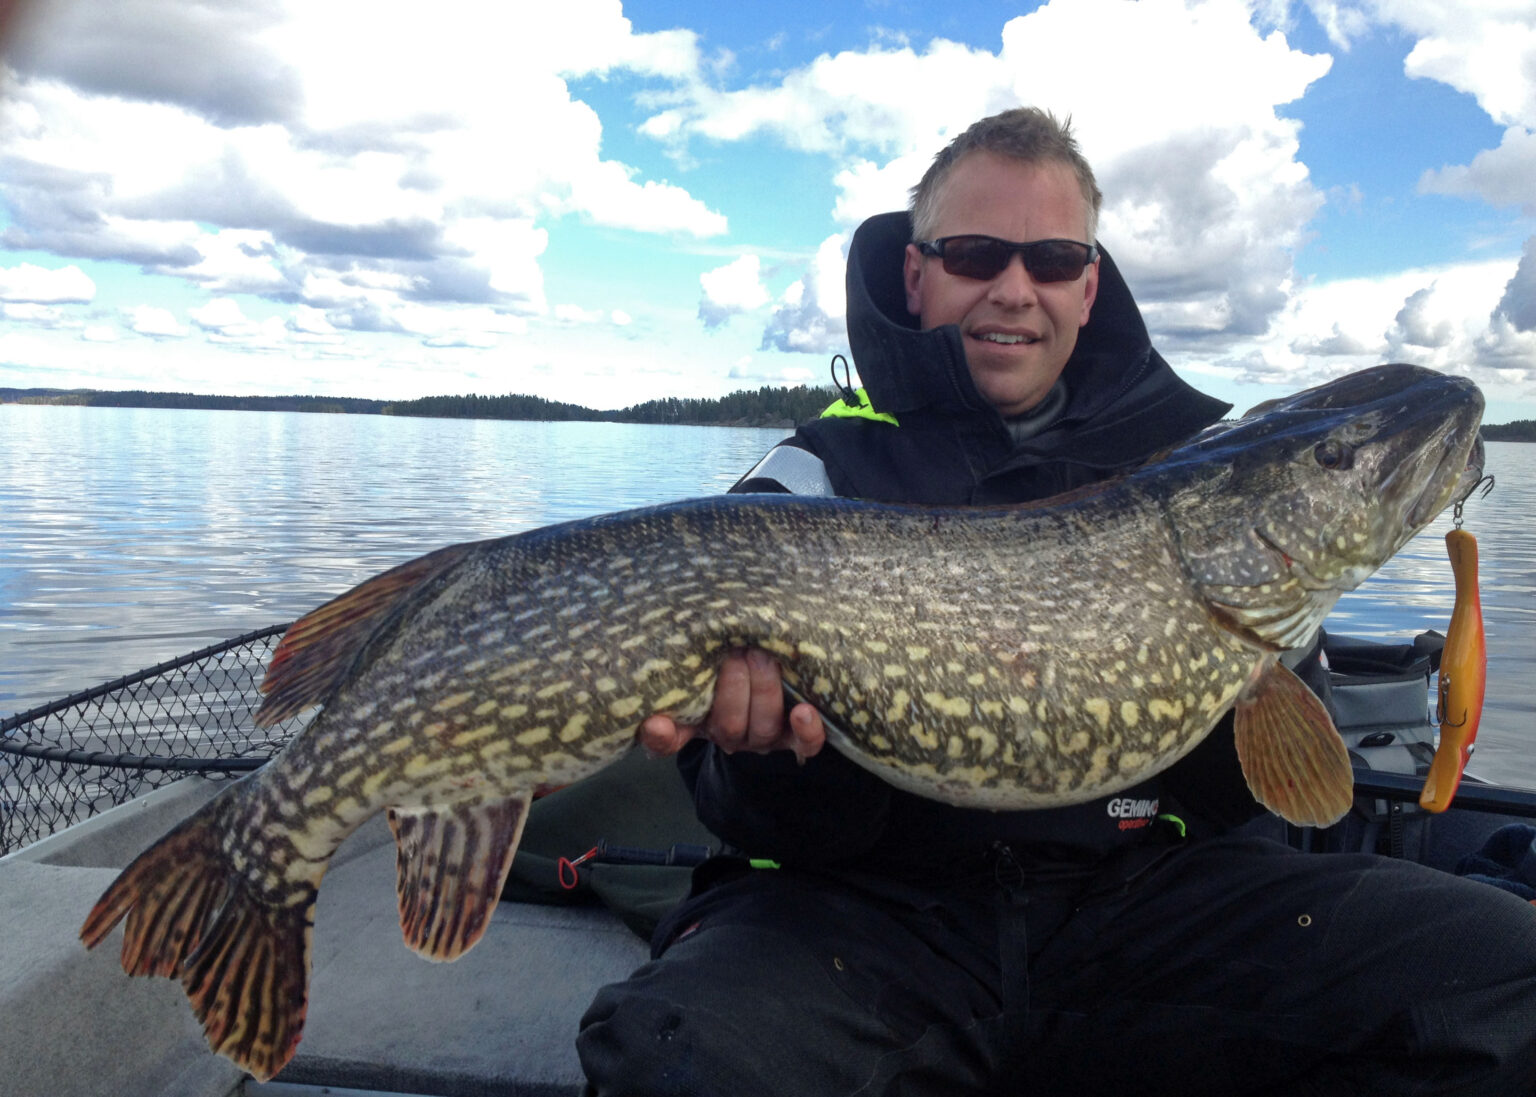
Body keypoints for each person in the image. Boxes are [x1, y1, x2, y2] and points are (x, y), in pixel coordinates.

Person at [575, 108, 1536, 1096]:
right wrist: (777, 766)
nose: (1013, 288)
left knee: (1509, 979)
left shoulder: (1184, 474)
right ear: (917, 275)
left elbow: (1272, 799)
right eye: (976, 253)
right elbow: (752, 819)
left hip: (1147, 910)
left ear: (1088, 283)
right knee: (674, 1053)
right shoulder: (808, 481)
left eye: (1049, 259)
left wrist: (1251, 666)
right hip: (865, 927)